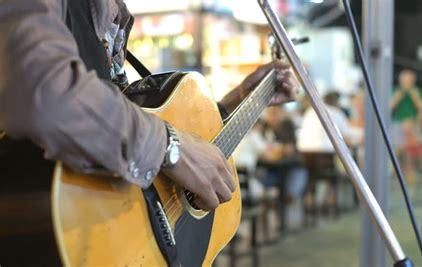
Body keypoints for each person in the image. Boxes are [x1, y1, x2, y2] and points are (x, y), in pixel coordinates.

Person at [0, 1, 298, 264]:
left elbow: (109, 129)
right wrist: (172, 149)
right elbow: (45, 92)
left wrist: (235, 103)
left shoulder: (109, 15)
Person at [390, 69, 422, 149]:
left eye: (409, 80)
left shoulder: (417, 91)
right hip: (397, 123)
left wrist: (414, 96)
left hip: (413, 124)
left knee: (412, 149)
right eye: (405, 80)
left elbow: (421, 108)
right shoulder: (394, 90)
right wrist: (399, 95)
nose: (407, 82)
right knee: (397, 148)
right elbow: (390, 107)